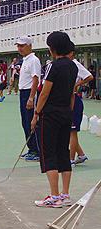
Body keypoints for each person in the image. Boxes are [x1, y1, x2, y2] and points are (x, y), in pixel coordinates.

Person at [32, 31, 78, 208]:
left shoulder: (53, 66)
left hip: (51, 114)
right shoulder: (73, 66)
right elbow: (72, 92)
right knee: (63, 152)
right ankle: (65, 195)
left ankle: (54, 196)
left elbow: (44, 93)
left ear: (52, 49)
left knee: (49, 153)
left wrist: (36, 114)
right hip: (67, 112)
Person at [16, 36, 41, 162]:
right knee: (25, 122)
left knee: (31, 122)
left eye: (22, 46)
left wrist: (31, 98)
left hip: (29, 93)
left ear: (29, 46)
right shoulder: (25, 60)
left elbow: (35, 79)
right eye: (18, 46)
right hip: (23, 92)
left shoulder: (33, 60)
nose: (20, 48)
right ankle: (31, 148)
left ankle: (37, 150)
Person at [67, 42, 93, 165]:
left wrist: (76, 85)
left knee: (72, 131)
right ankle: (81, 154)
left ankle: (71, 158)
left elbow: (89, 77)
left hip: (75, 100)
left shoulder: (75, 64)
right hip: (68, 99)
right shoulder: (67, 64)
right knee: (69, 130)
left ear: (71, 53)